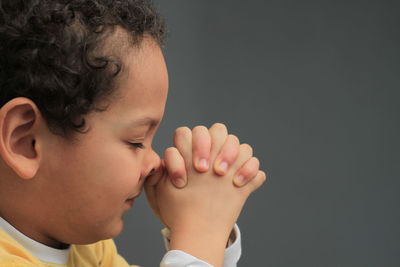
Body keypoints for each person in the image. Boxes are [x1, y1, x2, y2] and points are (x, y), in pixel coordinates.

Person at [0, 1, 267, 266]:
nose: (154, 163)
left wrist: (209, 238)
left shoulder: (88, 251)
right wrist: (202, 229)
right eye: (136, 141)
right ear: (26, 141)